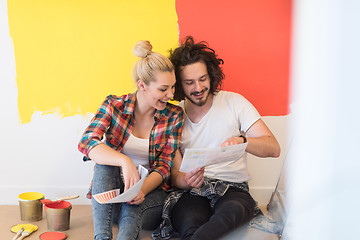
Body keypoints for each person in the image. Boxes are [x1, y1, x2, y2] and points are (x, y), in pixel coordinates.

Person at [157, 36, 281, 240]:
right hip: (192, 192)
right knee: (189, 222)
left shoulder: (234, 102)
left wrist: (243, 141)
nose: (198, 88)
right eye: (189, 82)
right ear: (178, 84)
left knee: (233, 213)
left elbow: (273, 148)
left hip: (233, 189)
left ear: (212, 76)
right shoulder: (174, 116)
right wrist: (187, 181)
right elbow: (176, 177)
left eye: (203, 79)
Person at [78, 40, 184, 240]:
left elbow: (164, 165)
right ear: (142, 85)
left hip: (151, 196)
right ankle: (102, 237)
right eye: (163, 89)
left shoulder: (174, 115)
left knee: (133, 208)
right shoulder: (114, 105)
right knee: (105, 163)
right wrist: (124, 161)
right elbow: (87, 142)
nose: (171, 95)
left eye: (173, 87)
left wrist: (140, 190)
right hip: (113, 197)